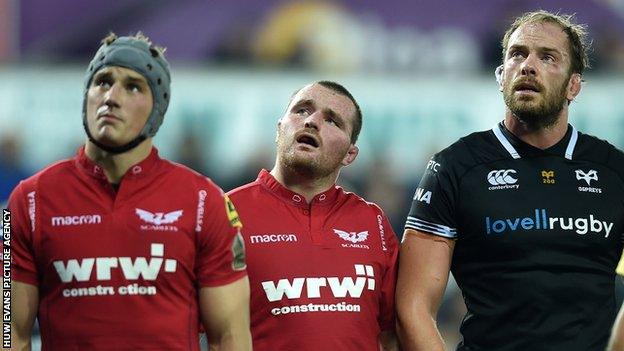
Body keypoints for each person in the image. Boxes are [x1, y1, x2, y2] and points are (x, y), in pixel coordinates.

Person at [396, 10, 624, 351]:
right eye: (518, 54)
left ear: (573, 86)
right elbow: (412, 307)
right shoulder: (454, 168)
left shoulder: (614, 171)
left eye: (547, 57)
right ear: (501, 76)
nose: (528, 66)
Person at [8, 32, 251, 350]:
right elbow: (9, 329)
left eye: (133, 86)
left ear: (157, 110)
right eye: (103, 82)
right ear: (86, 96)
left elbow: (229, 337)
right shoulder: (30, 199)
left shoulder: (205, 201)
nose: (111, 96)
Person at [227, 81, 399, 350]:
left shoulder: (372, 221)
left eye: (332, 120)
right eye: (302, 110)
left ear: (350, 155)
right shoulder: (226, 213)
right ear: (279, 128)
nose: (312, 121)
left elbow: (391, 335)